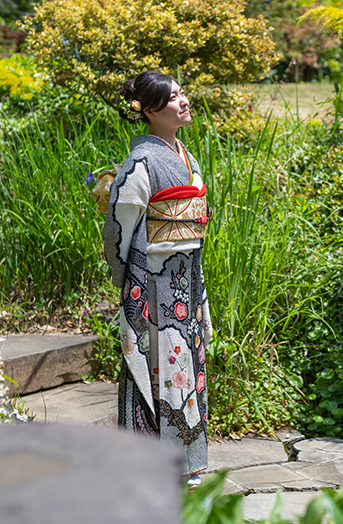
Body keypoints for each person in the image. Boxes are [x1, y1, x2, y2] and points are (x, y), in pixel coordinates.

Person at [102, 70, 212, 486]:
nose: (183, 101)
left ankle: (188, 462)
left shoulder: (186, 156)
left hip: (186, 274)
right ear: (148, 110)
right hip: (151, 281)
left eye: (182, 93)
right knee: (156, 367)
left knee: (188, 364)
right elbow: (118, 230)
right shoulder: (141, 162)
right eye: (172, 97)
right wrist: (126, 281)